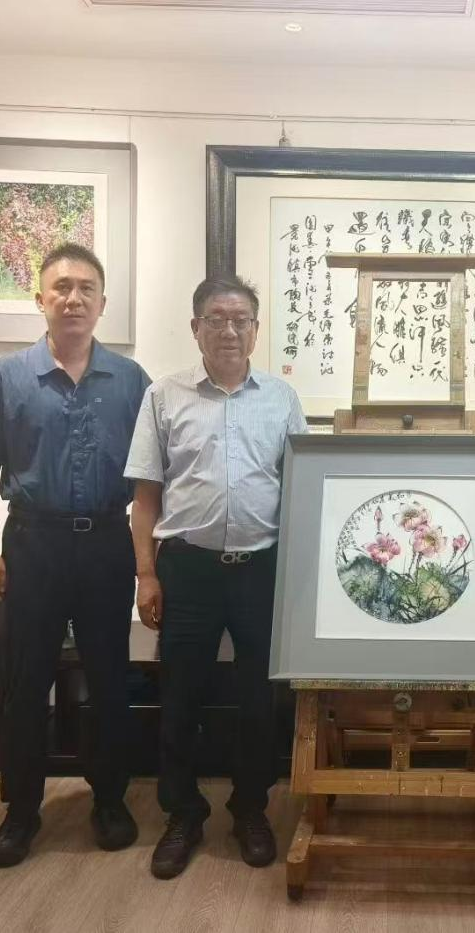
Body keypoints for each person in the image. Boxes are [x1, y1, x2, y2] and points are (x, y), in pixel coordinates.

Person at [0, 243, 151, 868]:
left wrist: (148, 561)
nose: (74, 298)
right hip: (32, 544)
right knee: (26, 679)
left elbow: (151, 478)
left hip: (107, 543)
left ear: (103, 303)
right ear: (40, 299)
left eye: (86, 288)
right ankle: (20, 811)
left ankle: (109, 800)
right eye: (61, 287)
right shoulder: (3, 379)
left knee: (110, 677)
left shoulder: (132, 381)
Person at [125, 273, 306, 880]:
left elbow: (302, 489)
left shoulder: (281, 398)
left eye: (240, 320)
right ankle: (183, 814)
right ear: (196, 327)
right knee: (180, 696)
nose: (229, 330)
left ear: (255, 330)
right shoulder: (164, 396)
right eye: (216, 319)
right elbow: (145, 498)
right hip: (188, 569)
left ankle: (251, 809)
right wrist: (146, 574)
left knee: (259, 698)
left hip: (263, 569)